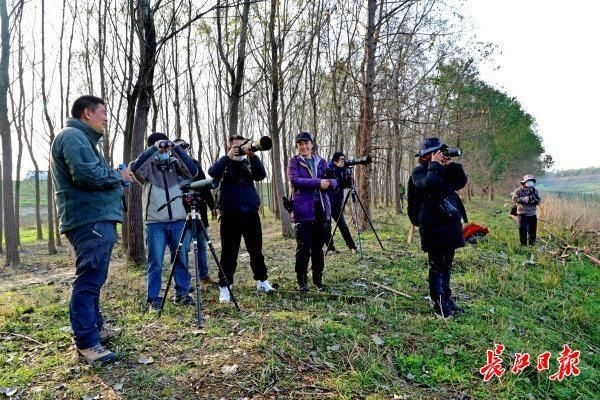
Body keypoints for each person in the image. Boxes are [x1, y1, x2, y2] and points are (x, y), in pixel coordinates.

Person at [51, 95, 134, 364]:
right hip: (89, 219)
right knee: (88, 280)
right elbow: (85, 175)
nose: (106, 118)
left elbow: (91, 172)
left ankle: (96, 328)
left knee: (94, 279)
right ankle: (87, 343)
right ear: (87, 113)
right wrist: (116, 176)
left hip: (94, 217)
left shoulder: (82, 139)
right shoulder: (73, 136)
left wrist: (113, 176)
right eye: (103, 113)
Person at [129, 132, 198, 311]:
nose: (164, 149)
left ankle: (182, 294)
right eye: (161, 147)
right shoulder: (145, 167)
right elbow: (136, 171)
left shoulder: (175, 164)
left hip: (178, 220)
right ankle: (153, 299)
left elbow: (193, 171)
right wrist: (154, 148)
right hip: (155, 223)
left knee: (181, 258)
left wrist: (176, 149)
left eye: (166, 146)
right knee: (155, 262)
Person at [208, 135, 275, 303]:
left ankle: (261, 280)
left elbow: (261, 175)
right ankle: (225, 286)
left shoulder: (249, 162)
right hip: (229, 215)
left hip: (250, 214)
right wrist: (229, 156)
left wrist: (252, 155)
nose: (240, 148)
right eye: (235, 146)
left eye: (242, 145)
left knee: (256, 251)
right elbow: (212, 172)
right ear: (229, 148)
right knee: (228, 253)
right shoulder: (225, 163)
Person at [410, 137, 467, 319]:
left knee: (447, 263)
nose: (442, 154)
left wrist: (451, 165)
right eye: (438, 152)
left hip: (449, 221)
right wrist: (435, 165)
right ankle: (438, 301)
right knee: (436, 264)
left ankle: (446, 298)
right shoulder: (418, 172)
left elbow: (460, 182)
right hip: (432, 224)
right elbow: (429, 184)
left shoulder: (443, 168)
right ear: (428, 155)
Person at [287, 132, 338, 291]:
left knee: (318, 246)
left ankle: (317, 279)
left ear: (312, 144)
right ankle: (301, 281)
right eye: (300, 144)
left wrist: (329, 182)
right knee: (304, 246)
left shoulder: (321, 162)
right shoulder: (294, 162)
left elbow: (335, 182)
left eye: (306, 143)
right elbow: (295, 180)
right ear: (297, 147)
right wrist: (318, 182)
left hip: (321, 209)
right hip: (302, 209)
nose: (304, 146)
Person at [173, 138, 218, 286]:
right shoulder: (171, 166)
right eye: (179, 147)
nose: (183, 149)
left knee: (202, 246)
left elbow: (205, 185)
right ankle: (184, 281)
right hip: (182, 214)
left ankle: (204, 276)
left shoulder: (195, 165)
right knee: (183, 248)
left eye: (184, 146)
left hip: (199, 211)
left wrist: (212, 206)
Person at [325, 152, 357, 253]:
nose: (344, 161)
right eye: (341, 159)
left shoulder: (345, 169)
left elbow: (346, 184)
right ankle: (330, 248)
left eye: (344, 159)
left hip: (338, 202)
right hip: (327, 202)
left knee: (342, 224)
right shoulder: (329, 169)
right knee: (327, 226)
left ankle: (351, 245)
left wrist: (351, 178)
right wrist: (338, 169)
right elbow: (333, 183)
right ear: (335, 161)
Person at [511, 174, 541, 246]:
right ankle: (523, 245)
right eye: (528, 181)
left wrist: (536, 201)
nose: (530, 183)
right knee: (522, 229)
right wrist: (524, 199)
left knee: (532, 231)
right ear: (524, 182)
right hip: (522, 212)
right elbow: (514, 199)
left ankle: (532, 245)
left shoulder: (535, 191)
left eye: (531, 182)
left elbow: (539, 200)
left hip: (532, 213)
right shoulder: (518, 190)